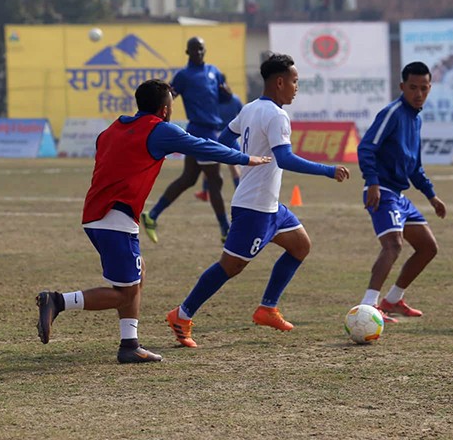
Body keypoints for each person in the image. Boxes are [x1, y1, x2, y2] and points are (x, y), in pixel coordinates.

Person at [35, 79, 271, 363]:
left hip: (97, 216)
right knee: (123, 293)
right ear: (164, 109)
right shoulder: (159, 130)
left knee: (138, 274)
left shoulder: (112, 129)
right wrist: (245, 158)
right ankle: (57, 301)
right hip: (116, 217)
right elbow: (203, 147)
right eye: (171, 104)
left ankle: (129, 344)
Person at [166, 54, 350, 348]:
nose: (296, 87)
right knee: (230, 266)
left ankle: (267, 308)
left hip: (270, 206)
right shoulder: (277, 115)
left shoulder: (251, 108)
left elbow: (225, 139)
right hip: (254, 208)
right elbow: (285, 158)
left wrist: (244, 159)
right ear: (279, 82)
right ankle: (182, 314)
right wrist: (328, 170)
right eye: (294, 81)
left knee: (301, 245)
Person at [356, 61, 447, 323]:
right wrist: (372, 182)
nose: (419, 94)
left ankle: (393, 300)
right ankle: (368, 308)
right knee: (393, 245)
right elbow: (366, 148)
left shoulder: (415, 119)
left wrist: (431, 196)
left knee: (428, 247)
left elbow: (414, 167)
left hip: (399, 195)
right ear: (402, 87)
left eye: (424, 88)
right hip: (382, 190)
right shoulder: (392, 113)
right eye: (413, 88)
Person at [141, 37, 233, 243]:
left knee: (189, 178)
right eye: (194, 49)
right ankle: (226, 230)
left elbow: (223, 98)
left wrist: (227, 94)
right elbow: (168, 96)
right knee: (215, 180)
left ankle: (152, 215)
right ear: (187, 52)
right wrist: (156, 114)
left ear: (204, 49)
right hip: (201, 131)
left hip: (210, 130)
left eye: (201, 48)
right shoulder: (184, 75)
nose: (198, 52)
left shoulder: (214, 71)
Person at [195, 93, 244, 202]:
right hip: (230, 134)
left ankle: (205, 192)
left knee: (209, 165)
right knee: (234, 166)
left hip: (216, 134)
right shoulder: (235, 99)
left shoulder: (215, 100)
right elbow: (242, 114)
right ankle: (240, 193)